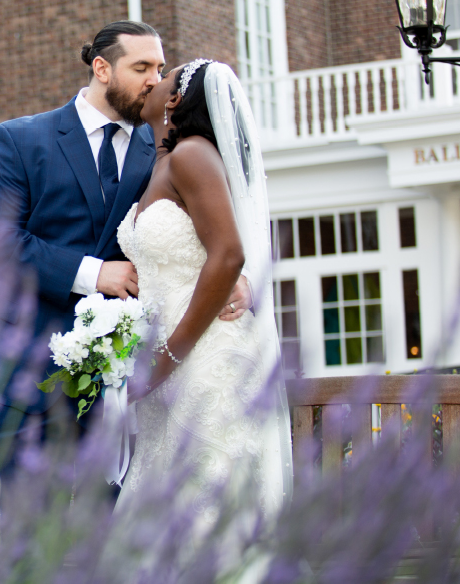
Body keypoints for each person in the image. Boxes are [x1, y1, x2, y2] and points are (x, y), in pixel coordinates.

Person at [0, 22, 252, 476]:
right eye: (141, 67)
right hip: (29, 383)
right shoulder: (21, 140)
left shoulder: (167, 152)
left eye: (159, 69)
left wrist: (240, 281)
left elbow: (212, 236)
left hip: (134, 394)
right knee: (30, 538)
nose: (154, 81)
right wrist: (92, 274)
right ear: (101, 68)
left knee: (112, 537)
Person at [112, 59, 292, 574]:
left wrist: (168, 354)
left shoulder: (192, 155)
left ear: (173, 102)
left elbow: (229, 253)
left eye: (162, 77)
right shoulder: (163, 163)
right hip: (164, 371)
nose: (151, 80)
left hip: (206, 359)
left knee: (205, 515)